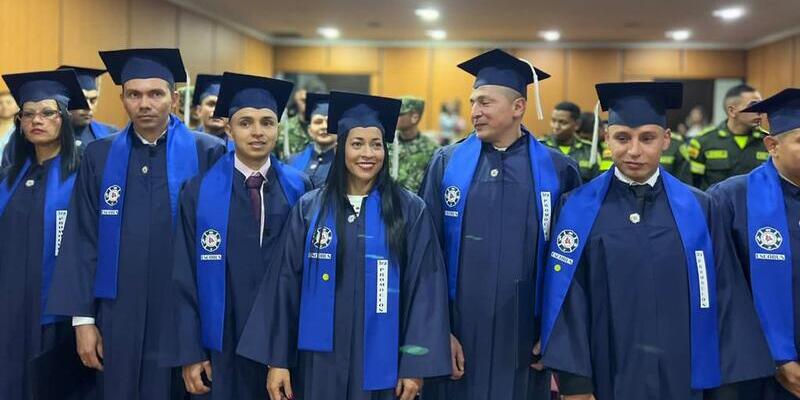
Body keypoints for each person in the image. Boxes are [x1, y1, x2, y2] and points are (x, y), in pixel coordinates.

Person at [540, 82, 774, 400]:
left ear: (665, 140)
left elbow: (725, 295)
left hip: (683, 373)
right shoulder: (576, 207)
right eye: (622, 138)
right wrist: (575, 385)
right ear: (607, 138)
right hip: (606, 371)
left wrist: (725, 387)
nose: (634, 151)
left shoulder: (701, 207)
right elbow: (568, 299)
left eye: (647, 138)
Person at [237, 91, 452, 400]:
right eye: (357, 144)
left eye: (376, 144)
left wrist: (414, 363)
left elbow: (425, 289)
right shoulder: (310, 208)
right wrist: (278, 360)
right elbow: (285, 283)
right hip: (318, 361)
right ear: (341, 148)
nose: (368, 153)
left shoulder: (409, 209)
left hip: (384, 361)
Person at [45, 48, 227, 400]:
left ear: (174, 99)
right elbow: (82, 239)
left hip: (184, 314)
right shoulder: (99, 155)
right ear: (123, 99)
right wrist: (83, 321)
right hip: (117, 313)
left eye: (156, 94)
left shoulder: (208, 153)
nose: (145, 104)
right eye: (135, 94)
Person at [418, 48, 582, 400]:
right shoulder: (446, 164)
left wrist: (555, 331)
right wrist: (436, 331)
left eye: (485, 103)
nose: (474, 112)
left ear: (518, 107)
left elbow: (571, 260)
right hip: (457, 332)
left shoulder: (558, 170)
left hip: (524, 337)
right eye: (473, 102)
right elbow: (426, 254)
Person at [164, 72, 310, 399]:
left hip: (282, 342)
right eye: (245, 123)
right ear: (228, 129)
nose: (257, 132)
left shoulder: (300, 189)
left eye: (267, 122)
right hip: (221, 345)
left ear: (278, 128)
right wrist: (191, 352)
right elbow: (182, 276)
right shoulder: (198, 191)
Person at [0, 69, 94, 400]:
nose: (36, 120)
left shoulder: (84, 174)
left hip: (59, 313)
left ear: (64, 119)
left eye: (47, 112)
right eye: (28, 114)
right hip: (9, 311)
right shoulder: (7, 178)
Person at [708, 88, 800, 400]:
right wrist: (777, 356)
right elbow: (721, 289)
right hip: (751, 367)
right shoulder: (729, 198)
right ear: (772, 145)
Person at [689, 84, 768, 189]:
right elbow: (692, 185)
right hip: (716, 204)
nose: (760, 111)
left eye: (760, 105)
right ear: (732, 111)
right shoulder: (703, 142)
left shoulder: (768, 141)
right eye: (753, 105)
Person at [57, 65, 118, 147]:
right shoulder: (45, 136)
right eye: (81, 100)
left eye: (93, 100)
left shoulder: (111, 135)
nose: (89, 107)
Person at [389, 96, 439, 193]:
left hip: (417, 204)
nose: (394, 117)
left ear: (414, 117)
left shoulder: (431, 149)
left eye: (399, 114)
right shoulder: (388, 144)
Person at [541, 101, 599, 182]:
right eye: (553, 121)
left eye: (563, 122)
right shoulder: (540, 147)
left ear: (577, 124)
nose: (556, 126)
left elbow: (596, 182)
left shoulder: (589, 150)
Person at [288, 92, 335, 187]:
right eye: (318, 122)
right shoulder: (292, 161)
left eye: (329, 122)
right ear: (309, 130)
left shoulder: (345, 164)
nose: (324, 126)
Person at [277, 80, 326, 160]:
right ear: (296, 99)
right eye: (304, 101)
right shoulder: (283, 129)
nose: (308, 105)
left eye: (313, 100)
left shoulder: (329, 131)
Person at [192, 74, 225, 138]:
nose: (217, 110)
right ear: (198, 111)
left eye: (222, 106)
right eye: (211, 104)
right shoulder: (186, 141)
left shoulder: (239, 145)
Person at [0, 90, 20, 161]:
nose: (4, 106)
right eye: (0, 103)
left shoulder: (22, 130)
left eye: (9, 102)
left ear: (18, 106)